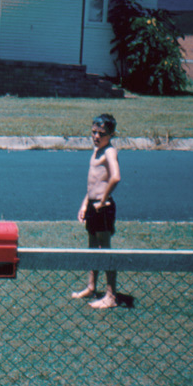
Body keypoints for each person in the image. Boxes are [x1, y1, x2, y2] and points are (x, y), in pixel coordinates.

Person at [72, 113, 122, 309]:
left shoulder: (109, 151)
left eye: (101, 133)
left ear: (111, 134)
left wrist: (102, 200)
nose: (96, 136)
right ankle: (91, 287)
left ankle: (111, 296)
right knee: (92, 247)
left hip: (103, 207)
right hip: (93, 206)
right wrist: (85, 204)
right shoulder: (96, 151)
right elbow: (93, 183)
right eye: (93, 132)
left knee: (105, 250)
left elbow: (115, 177)